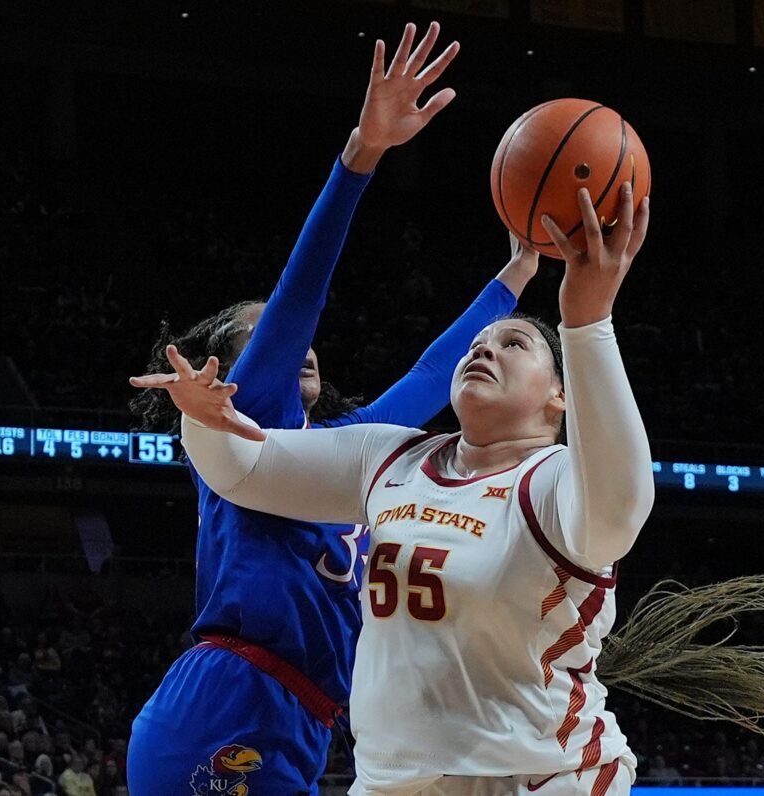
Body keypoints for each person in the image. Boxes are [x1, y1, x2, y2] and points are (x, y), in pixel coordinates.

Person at [126, 20, 539, 795]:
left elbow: (429, 375)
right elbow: (299, 293)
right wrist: (362, 156)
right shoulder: (257, 421)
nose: (301, 346)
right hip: (230, 701)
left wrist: (516, 272)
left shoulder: (348, 451)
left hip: (302, 716)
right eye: (270, 341)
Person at [135, 182, 653, 793]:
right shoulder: (370, 451)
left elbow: (435, 376)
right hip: (287, 722)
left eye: (511, 343)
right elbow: (245, 446)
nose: (482, 350)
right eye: (479, 346)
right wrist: (201, 420)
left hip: (515, 769)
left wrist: (564, 308)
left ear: (559, 397)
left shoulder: (542, 476)